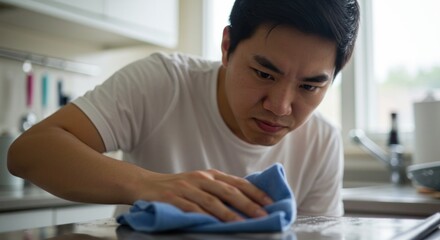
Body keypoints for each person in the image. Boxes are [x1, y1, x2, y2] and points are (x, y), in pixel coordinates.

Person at [8, 0, 360, 222]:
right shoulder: (165, 82)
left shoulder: (321, 142)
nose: (281, 107)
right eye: (264, 74)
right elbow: (28, 152)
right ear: (227, 47)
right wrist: (151, 185)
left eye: (310, 86)